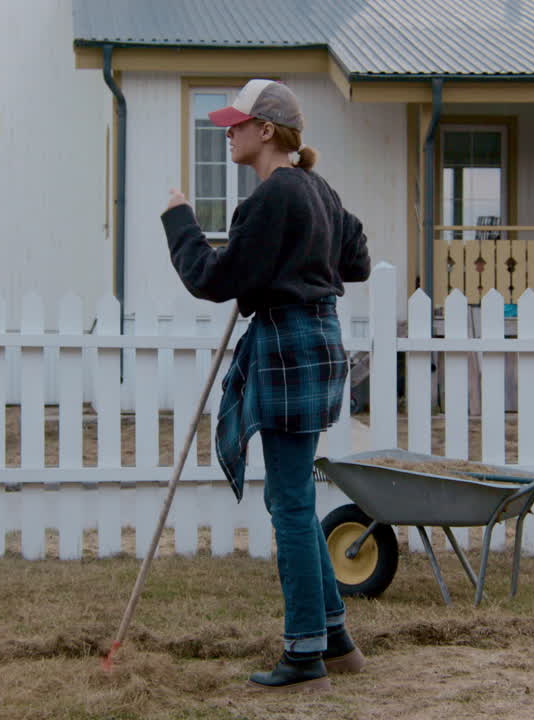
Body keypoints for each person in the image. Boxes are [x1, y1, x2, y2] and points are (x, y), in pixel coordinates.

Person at [160, 79, 370, 692]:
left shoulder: (273, 197)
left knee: (292, 505)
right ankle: (335, 640)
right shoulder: (319, 191)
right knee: (291, 500)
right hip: (316, 342)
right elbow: (353, 259)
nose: (228, 132)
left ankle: (304, 653)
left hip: (286, 347)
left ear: (267, 131)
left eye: (237, 124)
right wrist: (289, 263)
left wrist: (179, 220)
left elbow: (214, 277)